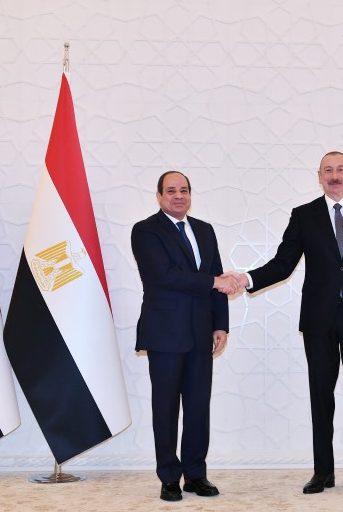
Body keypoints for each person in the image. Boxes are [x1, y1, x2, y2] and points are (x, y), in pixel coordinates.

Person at [226, 151, 343, 496]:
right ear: (319, 176)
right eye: (328, 170)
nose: (334, 176)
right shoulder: (304, 215)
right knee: (321, 398)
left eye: (340, 170)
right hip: (319, 321)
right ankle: (323, 472)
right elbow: (283, 264)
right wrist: (246, 278)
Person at [131, 171, 238, 502]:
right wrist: (214, 283)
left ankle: (195, 474)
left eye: (184, 190)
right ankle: (168, 477)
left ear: (190, 195)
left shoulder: (204, 230)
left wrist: (221, 324)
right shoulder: (146, 230)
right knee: (165, 408)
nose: (179, 196)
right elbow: (164, 276)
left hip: (201, 332)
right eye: (171, 191)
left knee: (197, 408)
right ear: (159, 196)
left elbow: (216, 274)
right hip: (165, 333)